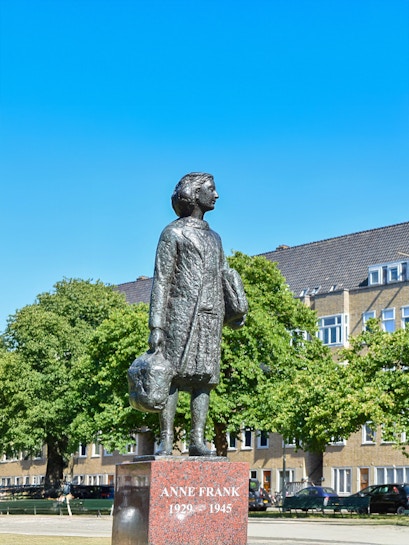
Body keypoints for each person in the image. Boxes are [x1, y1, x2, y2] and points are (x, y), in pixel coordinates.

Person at [148, 172, 247, 456]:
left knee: (204, 377)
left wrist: (235, 305)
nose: (216, 195)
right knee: (172, 375)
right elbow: (162, 280)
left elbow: (222, 274)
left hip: (210, 313)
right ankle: (166, 440)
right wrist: (156, 325)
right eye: (211, 189)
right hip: (178, 314)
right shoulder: (173, 233)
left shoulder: (215, 238)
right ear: (194, 194)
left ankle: (197, 439)